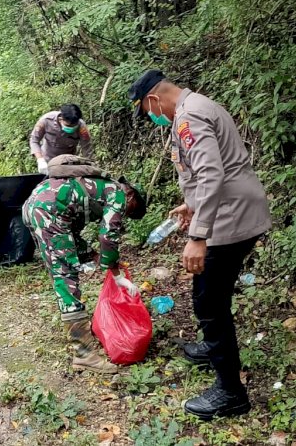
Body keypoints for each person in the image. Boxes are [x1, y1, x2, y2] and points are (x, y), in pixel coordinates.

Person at [128, 69, 271, 420]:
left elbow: (211, 173)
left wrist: (198, 235)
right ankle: (213, 348)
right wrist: (191, 205)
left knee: (208, 300)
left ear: (152, 100)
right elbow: (213, 168)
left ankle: (230, 393)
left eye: (148, 114)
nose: (153, 119)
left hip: (230, 218)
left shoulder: (188, 116)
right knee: (213, 296)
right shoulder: (199, 104)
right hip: (234, 210)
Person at [22, 155, 147, 373]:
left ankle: (82, 346)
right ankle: (83, 354)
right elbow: (108, 236)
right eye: (132, 209)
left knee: (62, 271)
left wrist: (92, 255)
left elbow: (69, 230)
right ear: (131, 194)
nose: (127, 213)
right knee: (66, 277)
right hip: (49, 212)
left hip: (38, 206)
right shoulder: (118, 194)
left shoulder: (95, 187)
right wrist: (116, 274)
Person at [29, 104, 93, 174]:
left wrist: (89, 166)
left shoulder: (81, 127)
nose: (71, 128)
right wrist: (40, 160)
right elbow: (34, 140)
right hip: (47, 162)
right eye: (68, 126)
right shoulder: (46, 120)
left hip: (68, 163)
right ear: (61, 119)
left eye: (74, 126)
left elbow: (87, 148)